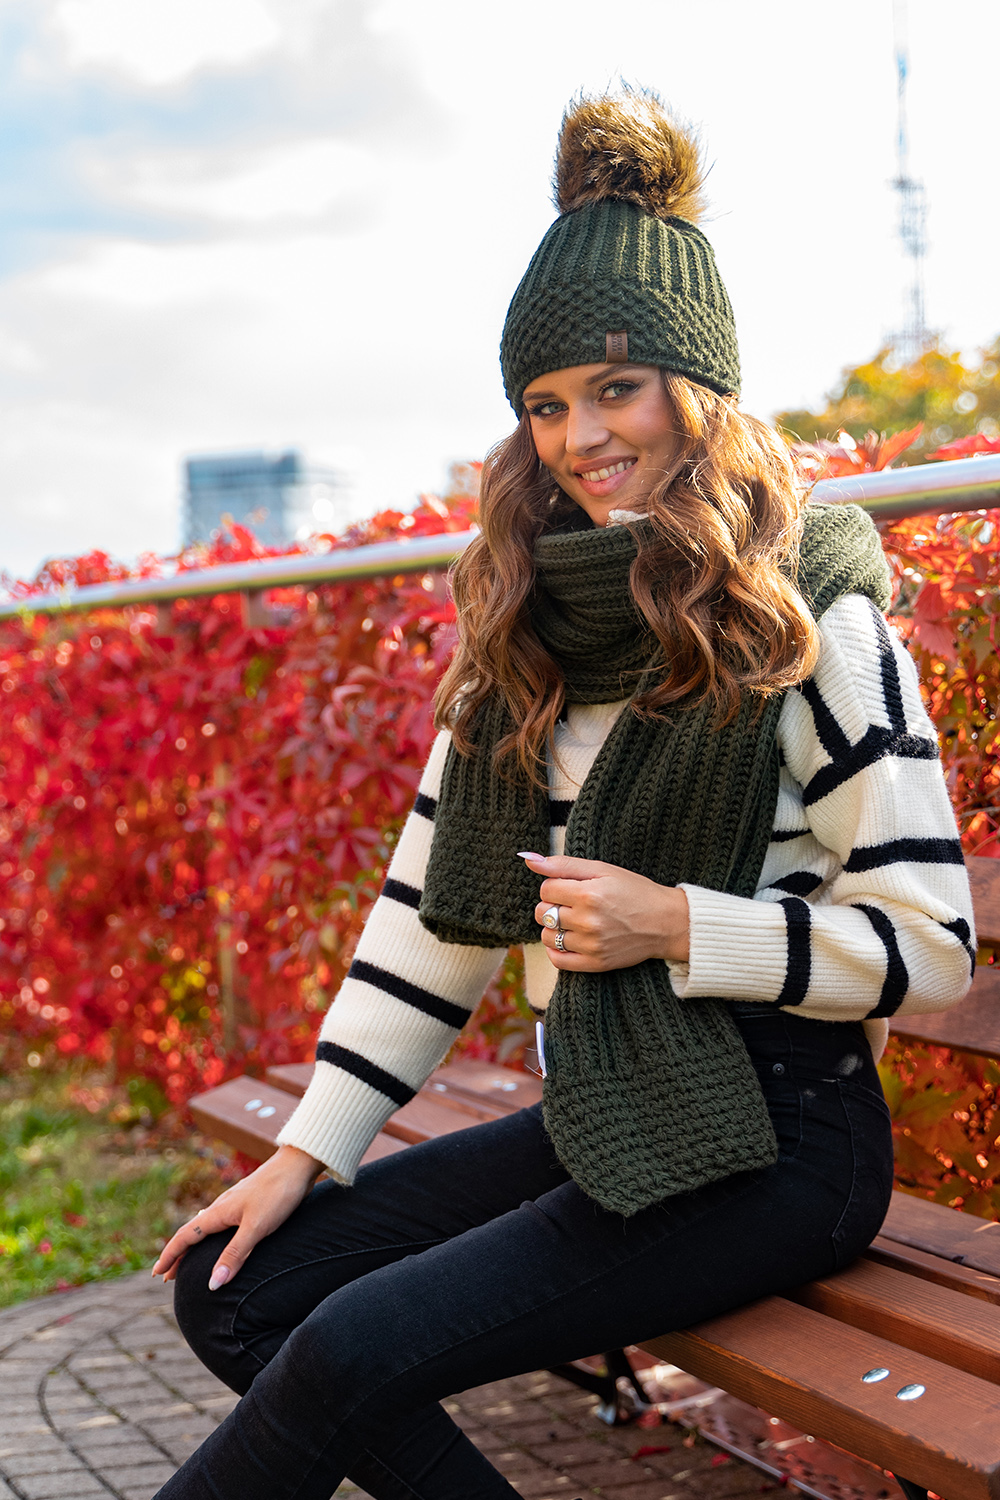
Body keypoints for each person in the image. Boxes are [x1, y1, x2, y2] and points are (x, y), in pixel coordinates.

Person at [151, 91, 975, 1500]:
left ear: (696, 391)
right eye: (546, 404)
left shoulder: (814, 619)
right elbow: (427, 925)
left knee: (349, 1348)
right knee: (236, 1289)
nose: (581, 436)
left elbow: (932, 946)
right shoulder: (525, 634)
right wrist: (304, 1156)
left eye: (616, 388)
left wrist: (678, 925)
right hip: (613, 1104)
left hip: (781, 1141)